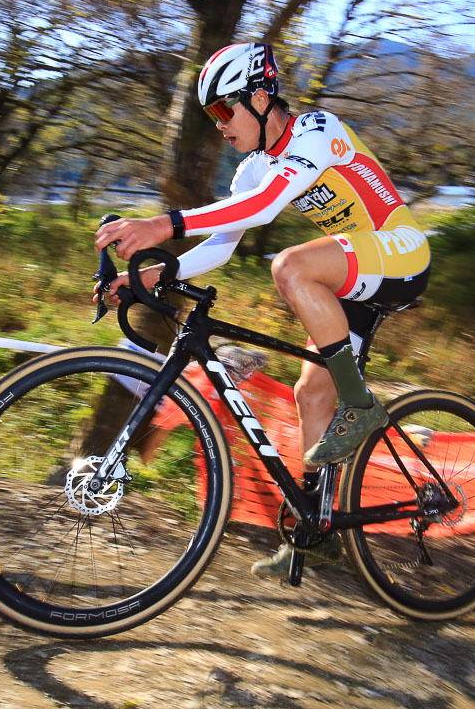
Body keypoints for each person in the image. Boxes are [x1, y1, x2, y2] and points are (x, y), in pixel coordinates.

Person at [94, 42, 431, 577]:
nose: (220, 125)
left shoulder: (317, 131)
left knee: (289, 266)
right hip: (354, 273)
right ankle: (316, 536)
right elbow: (224, 241)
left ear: (259, 97)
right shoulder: (253, 167)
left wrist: (163, 225)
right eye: (211, 116)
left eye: (225, 110)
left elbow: (268, 204)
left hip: (400, 252)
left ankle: (362, 405)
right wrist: (160, 272)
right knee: (308, 394)